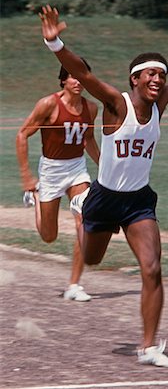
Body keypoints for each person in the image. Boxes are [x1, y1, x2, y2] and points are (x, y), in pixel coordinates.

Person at [39, 0, 168, 366]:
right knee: (92, 259)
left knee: (152, 268)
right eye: (150, 74)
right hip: (104, 199)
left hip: (138, 201)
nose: (158, 79)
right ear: (134, 79)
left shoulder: (161, 103)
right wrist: (55, 44)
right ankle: (80, 203)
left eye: (162, 75)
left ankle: (149, 347)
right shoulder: (115, 104)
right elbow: (84, 75)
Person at [16, 61, 100, 302]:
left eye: (81, 77)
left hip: (76, 169)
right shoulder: (48, 104)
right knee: (48, 236)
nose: (77, 81)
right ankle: (35, 195)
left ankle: (74, 285)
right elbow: (22, 134)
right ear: (63, 80)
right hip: (51, 171)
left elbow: (89, 140)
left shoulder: (91, 108)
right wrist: (27, 177)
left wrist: (106, 168)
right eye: (72, 77)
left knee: (85, 219)